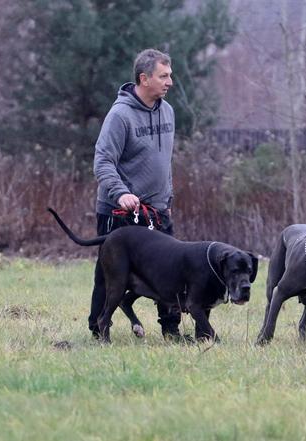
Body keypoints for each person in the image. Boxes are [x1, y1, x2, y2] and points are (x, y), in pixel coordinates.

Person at [90, 48, 181, 339]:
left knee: (170, 269)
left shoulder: (167, 111)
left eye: (170, 75)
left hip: (157, 210)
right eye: (163, 76)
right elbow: (103, 161)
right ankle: (97, 327)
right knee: (111, 275)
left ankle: (171, 330)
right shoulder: (120, 115)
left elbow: (163, 161)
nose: (170, 82)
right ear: (144, 78)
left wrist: (167, 197)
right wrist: (120, 194)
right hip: (119, 211)